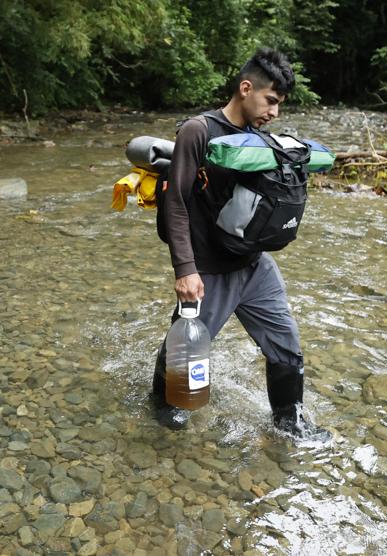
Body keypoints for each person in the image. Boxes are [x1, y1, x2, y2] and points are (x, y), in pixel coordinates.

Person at [151, 48, 326, 437]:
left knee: (285, 343)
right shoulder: (199, 131)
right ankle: (162, 410)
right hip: (209, 271)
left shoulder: (259, 140)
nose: (274, 112)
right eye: (271, 101)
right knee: (184, 348)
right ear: (246, 88)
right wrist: (186, 270)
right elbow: (177, 203)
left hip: (254, 266)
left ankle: (289, 421)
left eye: (279, 105)